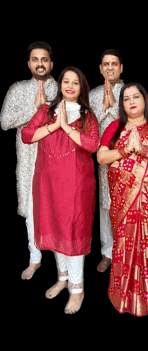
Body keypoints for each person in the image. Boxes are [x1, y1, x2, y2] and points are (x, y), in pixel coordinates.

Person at [21, 67, 100, 314]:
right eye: (66, 81)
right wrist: (54, 125)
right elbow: (26, 135)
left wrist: (66, 127)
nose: (69, 85)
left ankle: (77, 289)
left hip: (76, 185)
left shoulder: (87, 115)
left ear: (81, 88)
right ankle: (62, 278)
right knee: (55, 229)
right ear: (60, 85)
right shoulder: (46, 111)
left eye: (75, 82)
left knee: (73, 232)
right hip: (48, 183)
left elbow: (92, 144)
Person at [97, 82, 148, 316]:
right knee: (123, 245)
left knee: (147, 245)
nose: (131, 101)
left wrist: (142, 148)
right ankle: (120, 296)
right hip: (123, 201)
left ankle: (147, 296)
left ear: (144, 100)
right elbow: (102, 157)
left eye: (136, 97)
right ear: (122, 104)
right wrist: (123, 151)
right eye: (126, 98)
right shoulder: (114, 126)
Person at [0, 41, 57, 280]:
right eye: (35, 59)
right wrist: (35, 110)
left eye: (44, 59)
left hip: (57, 160)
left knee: (57, 209)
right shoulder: (18, 89)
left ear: (51, 63)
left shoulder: (64, 87)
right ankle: (35, 258)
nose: (40, 63)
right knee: (33, 210)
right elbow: (4, 122)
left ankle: (61, 260)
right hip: (28, 160)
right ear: (29, 63)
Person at [89, 49, 124, 272]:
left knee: (128, 204)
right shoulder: (92, 94)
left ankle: (125, 252)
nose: (110, 67)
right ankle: (107, 252)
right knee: (105, 205)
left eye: (114, 63)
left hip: (128, 156)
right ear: (100, 69)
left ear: (121, 68)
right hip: (102, 161)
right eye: (105, 64)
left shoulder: (131, 91)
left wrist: (113, 107)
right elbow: (89, 125)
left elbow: (136, 120)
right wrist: (105, 109)